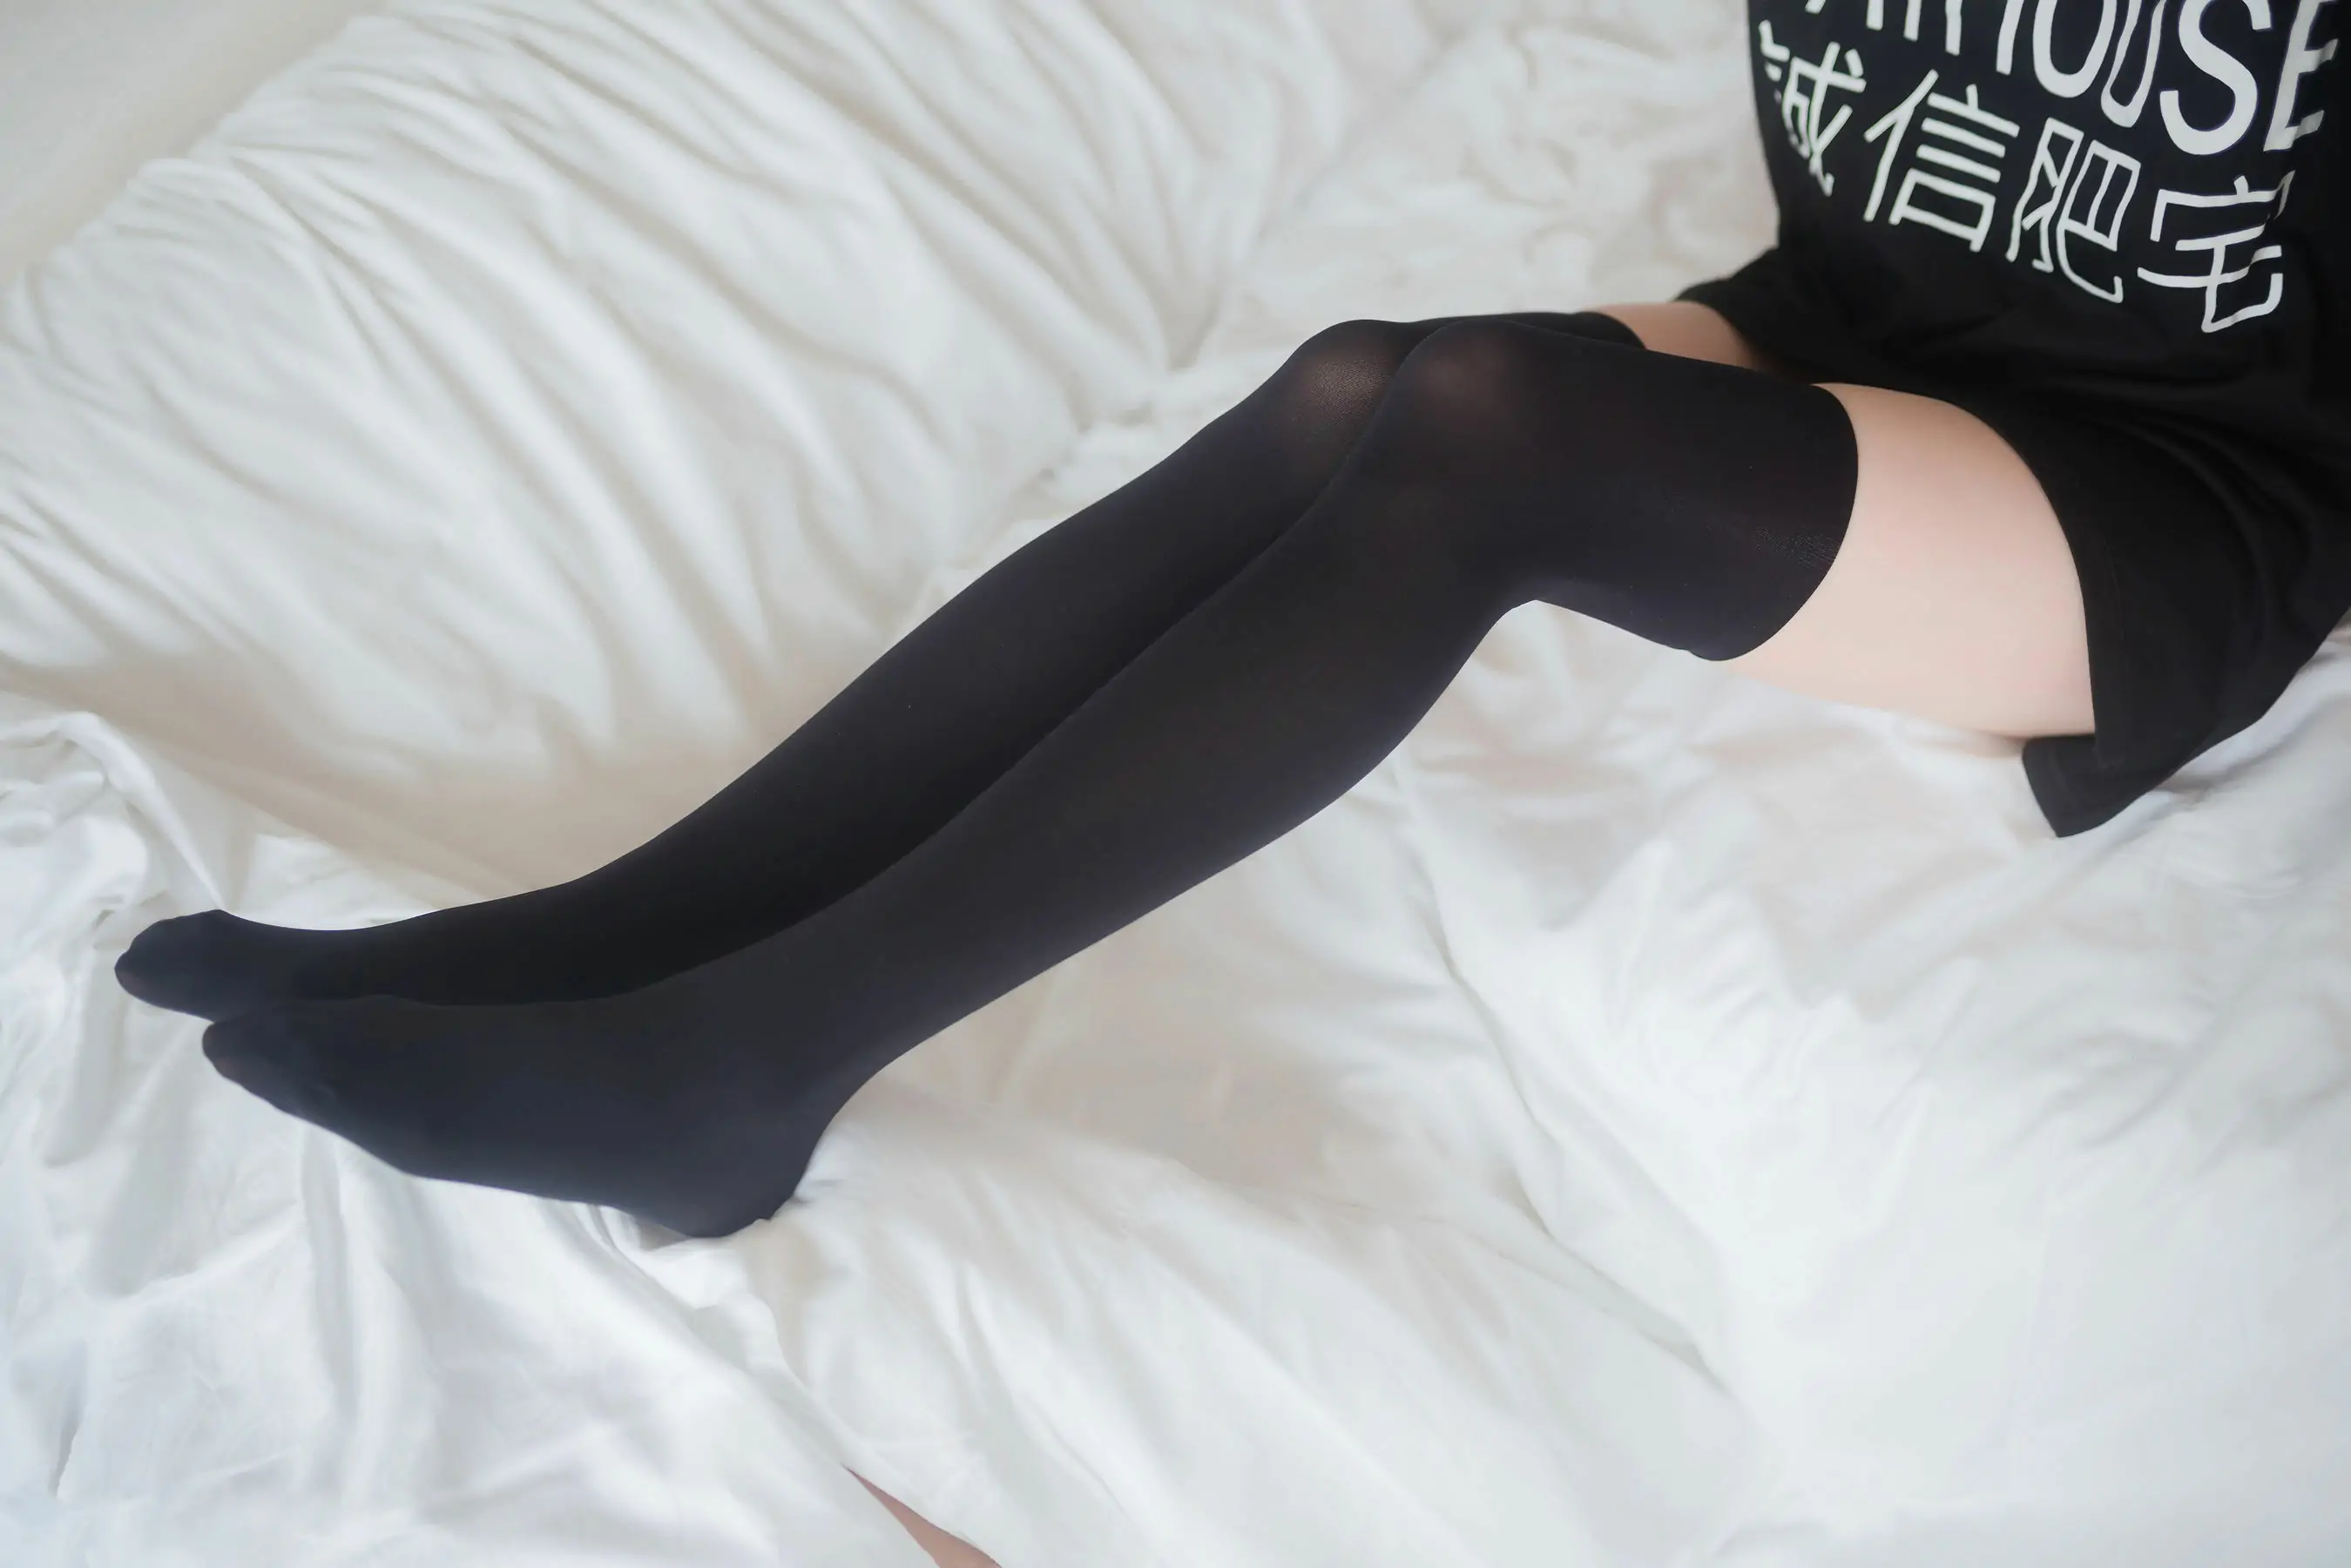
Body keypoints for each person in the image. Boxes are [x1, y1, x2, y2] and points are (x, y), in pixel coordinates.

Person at [116, 0, 2345, 1246]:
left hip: (2171, 471)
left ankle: (737, 1069)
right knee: (1357, 387)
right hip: (1873, 302)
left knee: (1493, 439)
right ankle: (610, 938)